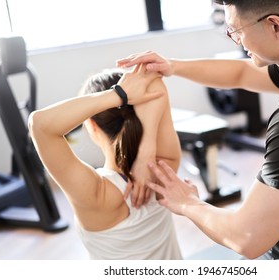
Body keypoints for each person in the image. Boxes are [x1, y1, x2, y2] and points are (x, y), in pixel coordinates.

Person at [116, 0, 279, 259]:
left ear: (275, 25)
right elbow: (241, 73)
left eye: (237, 31)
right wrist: (171, 66)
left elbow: (246, 238)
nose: (236, 41)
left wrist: (187, 202)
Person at [28, 65, 183, 260]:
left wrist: (118, 94)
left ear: (91, 125)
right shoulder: (164, 169)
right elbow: (153, 77)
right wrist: (147, 148)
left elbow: (39, 124)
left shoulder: (97, 194)